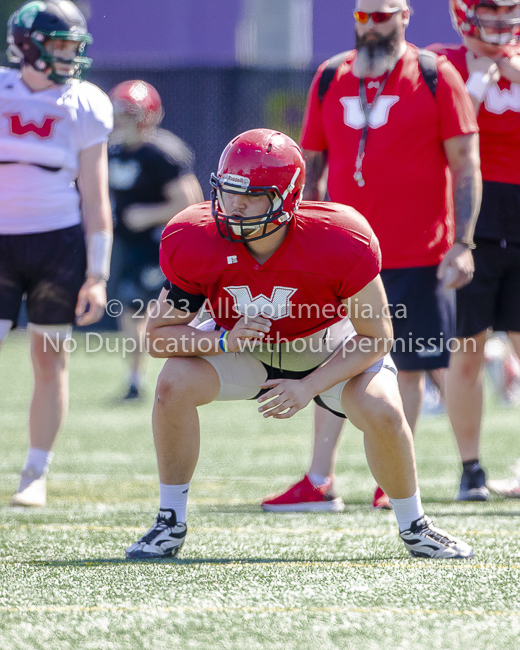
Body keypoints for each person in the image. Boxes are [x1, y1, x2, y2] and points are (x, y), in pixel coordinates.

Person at [125, 128, 473, 560]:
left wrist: (309, 386)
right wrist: (220, 339)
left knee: (383, 408)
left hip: (327, 345)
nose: (235, 205)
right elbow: (158, 337)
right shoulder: (195, 237)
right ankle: (169, 521)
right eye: (229, 191)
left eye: (251, 196)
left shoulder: (341, 236)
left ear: (287, 197)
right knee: (172, 382)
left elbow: (377, 338)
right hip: (242, 350)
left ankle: (415, 524)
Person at [260, 0, 481, 513]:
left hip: (419, 252)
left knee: (409, 366)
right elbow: (309, 168)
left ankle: (390, 477)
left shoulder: (434, 75)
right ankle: (319, 480)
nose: (373, 25)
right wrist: (300, 244)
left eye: (383, 15)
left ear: (405, 17)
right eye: (364, 16)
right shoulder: (330, 76)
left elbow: (466, 165)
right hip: (342, 256)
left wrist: (463, 244)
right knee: (331, 358)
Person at [1, 0, 113, 507]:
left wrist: (97, 272)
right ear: (28, 45)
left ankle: (35, 471)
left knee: (50, 357)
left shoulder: (86, 101)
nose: (70, 56)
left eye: (74, 46)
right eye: (61, 45)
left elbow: (95, 192)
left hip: (57, 242)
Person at [430, 0, 520, 500]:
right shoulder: (441, 63)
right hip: (470, 226)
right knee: (467, 351)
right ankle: (472, 469)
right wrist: (478, 82)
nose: (501, 25)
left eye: (507, 14)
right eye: (491, 13)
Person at [108, 80, 203, 399]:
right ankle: (135, 377)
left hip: (161, 245)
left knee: (157, 312)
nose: (122, 120)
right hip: (130, 246)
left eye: (129, 113)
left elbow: (190, 202)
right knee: (128, 309)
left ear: (148, 115)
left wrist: (147, 214)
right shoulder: (114, 150)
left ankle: (178, 372)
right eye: (118, 113)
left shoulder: (161, 152)